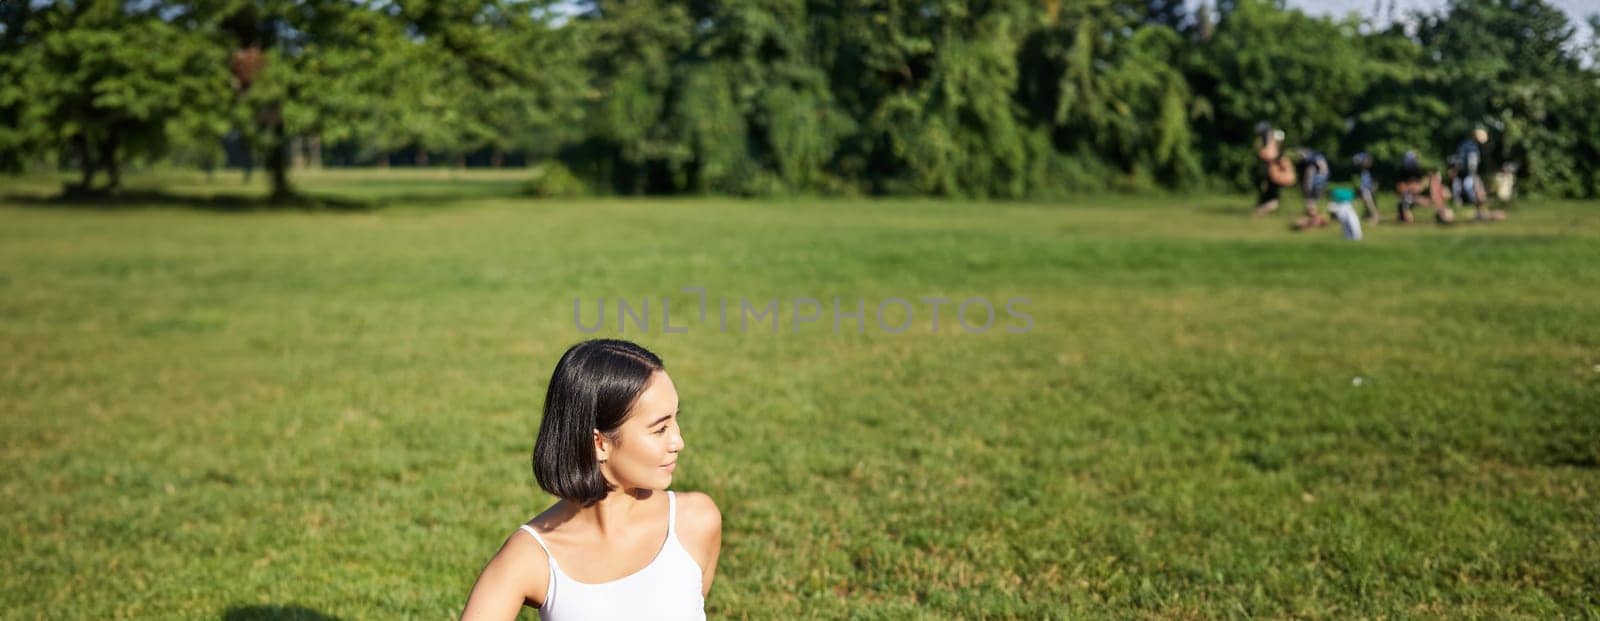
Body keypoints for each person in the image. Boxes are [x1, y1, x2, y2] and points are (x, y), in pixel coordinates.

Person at [461, 339, 721, 621]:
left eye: (675, 420)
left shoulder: (695, 522)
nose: (678, 441)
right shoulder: (531, 557)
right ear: (599, 443)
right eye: (660, 429)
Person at [1253, 123, 1292, 216]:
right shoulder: (1271, 143)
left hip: (1270, 172)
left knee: (1267, 194)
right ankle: (1259, 211)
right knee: (1273, 199)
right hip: (1272, 173)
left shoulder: (1266, 141)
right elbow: (1270, 155)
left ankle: (1259, 209)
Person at [1454, 128, 1492, 220]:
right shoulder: (1472, 148)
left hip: (1461, 174)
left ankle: (1480, 213)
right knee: (1478, 194)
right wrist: (1475, 177)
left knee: (1475, 195)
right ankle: (1480, 214)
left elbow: (1457, 161)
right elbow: (1472, 165)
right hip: (1469, 175)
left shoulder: (1463, 144)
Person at [1299, 148, 1331, 228]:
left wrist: (1310, 185)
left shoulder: (1313, 160)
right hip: (1318, 184)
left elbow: (1323, 170)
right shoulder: (1317, 158)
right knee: (1312, 203)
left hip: (1316, 184)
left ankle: (1317, 220)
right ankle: (1315, 220)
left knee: (1311, 203)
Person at [1395, 151, 1426, 223]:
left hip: (1416, 197)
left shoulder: (1418, 171)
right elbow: (1401, 188)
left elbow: (1420, 187)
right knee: (1409, 219)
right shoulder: (1401, 172)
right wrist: (1411, 188)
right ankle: (1403, 215)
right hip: (1407, 198)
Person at [1352, 152, 1380, 223]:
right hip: (1363, 191)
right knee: (1356, 202)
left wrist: (1372, 188)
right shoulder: (1361, 172)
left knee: (1368, 201)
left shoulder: (1369, 171)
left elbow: (1373, 183)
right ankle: (1362, 216)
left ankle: (1375, 216)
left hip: (1367, 191)